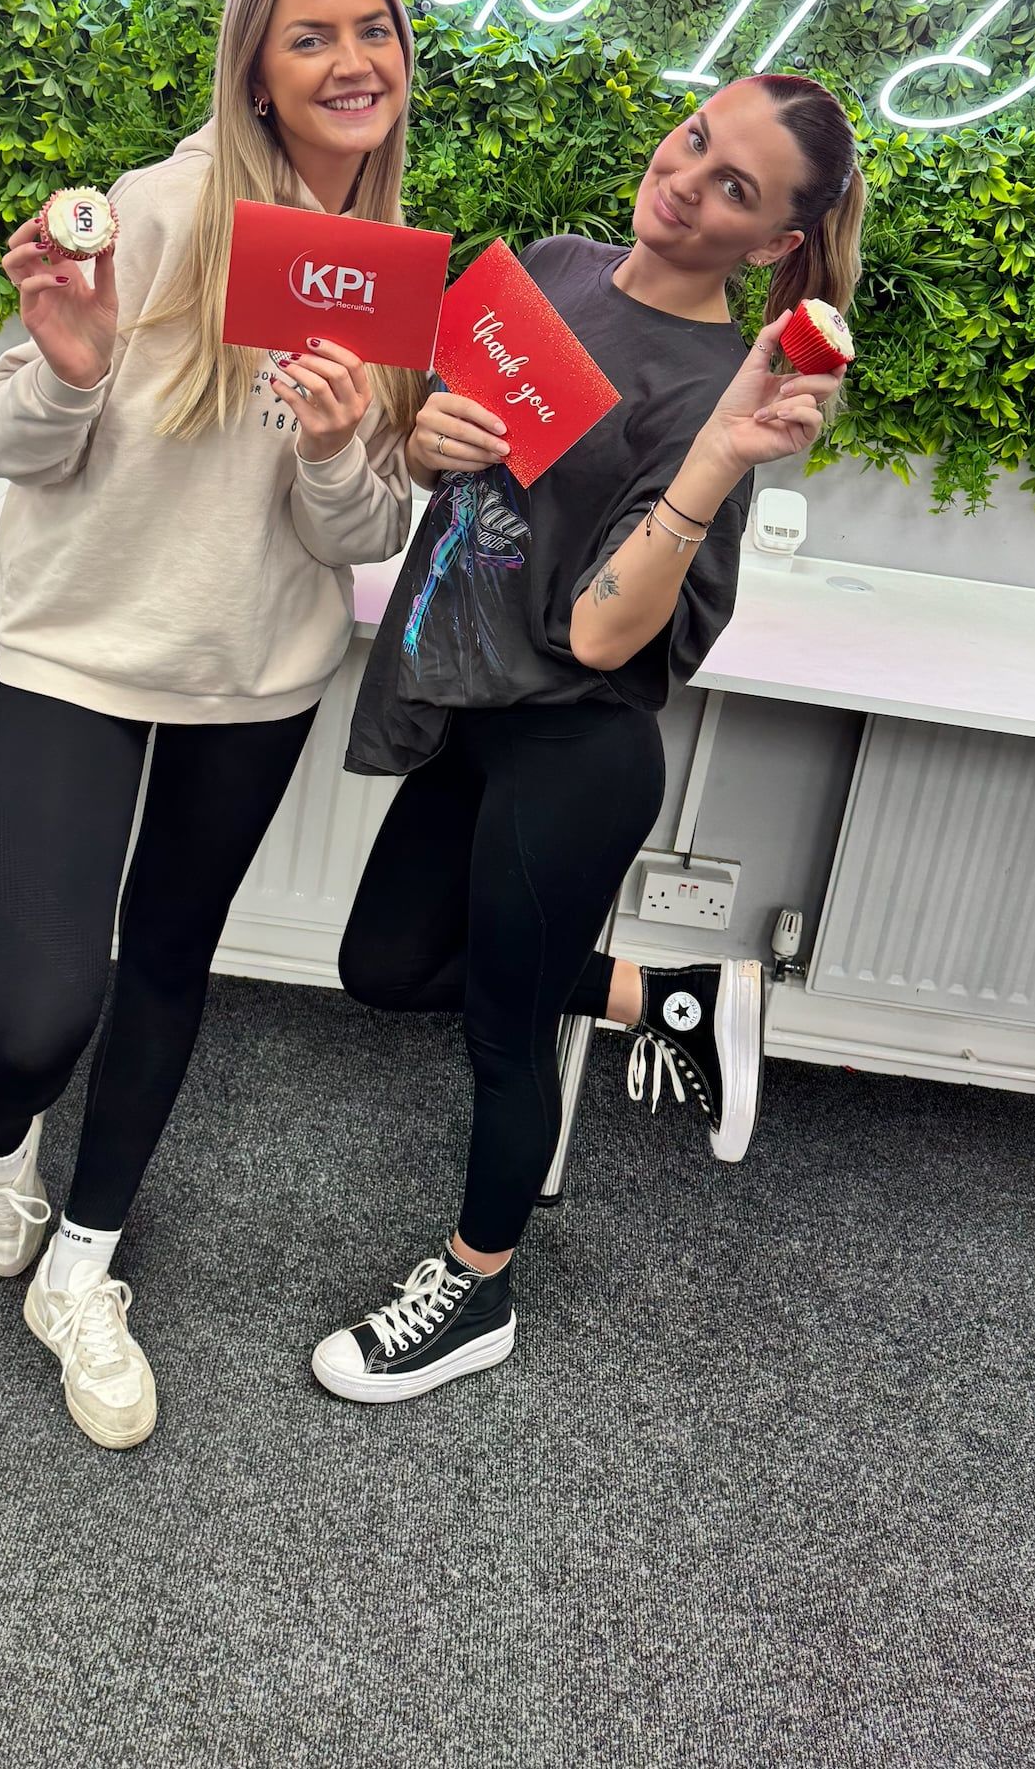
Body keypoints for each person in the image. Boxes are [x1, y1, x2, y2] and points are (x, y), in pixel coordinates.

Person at [313, 72, 862, 1405]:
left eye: (733, 186)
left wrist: (717, 462)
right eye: (692, 141)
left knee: (502, 1026)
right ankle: (663, 997)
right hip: (472, 704)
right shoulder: (552, 268)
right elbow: (444, 465)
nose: (684, 180)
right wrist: (421, 428)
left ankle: (474, 1288)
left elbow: (612, 636)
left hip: (576, 742)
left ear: (776, 242)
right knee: (383, 963)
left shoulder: (710, 396)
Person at [0, 0, 420, 1449]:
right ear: (258, 74)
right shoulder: (151, 216)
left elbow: (357, 538)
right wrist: (72, 367)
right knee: (35, 1008)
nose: (352, 60)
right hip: (83, 644)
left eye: (373, 29)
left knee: (168, 960)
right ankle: (2, 1136)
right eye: (311, 37)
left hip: (257, 667)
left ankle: (85, 1266)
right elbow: (4, 445)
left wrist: (336, 447)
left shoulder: (388, 273)